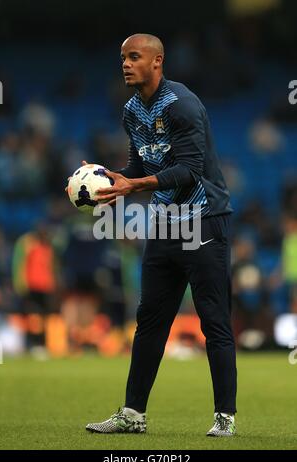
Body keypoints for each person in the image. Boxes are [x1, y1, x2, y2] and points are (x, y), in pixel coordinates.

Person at [85, 33, 237, 437]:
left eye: (134, 57)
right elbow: (140, 162)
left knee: (213, 322)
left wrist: (136, 187)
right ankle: (133, 415)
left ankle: (225, 417)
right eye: (122, 57)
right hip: (167, 222)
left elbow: (189, 169)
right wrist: (114, 179)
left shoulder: (182, 104)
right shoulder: (132, 109)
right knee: (149, 321)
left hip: (203, 219)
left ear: (157, 61)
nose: (125, 64)